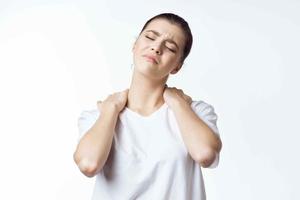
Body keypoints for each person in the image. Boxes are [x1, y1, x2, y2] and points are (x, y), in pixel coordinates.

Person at [73, 13, 222, 200]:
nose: (156, 47)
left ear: (177, 67)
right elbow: (88, 164)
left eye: (170, 48)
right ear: (135, 45)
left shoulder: (196, 112)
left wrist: (176, 101)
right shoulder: (98, 116)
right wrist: (111, 110)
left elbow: (205, 154)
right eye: (150, 37)